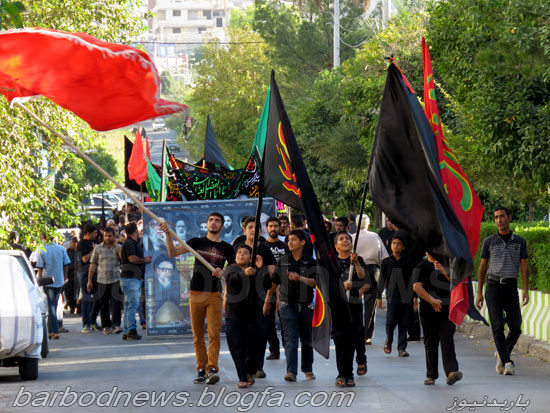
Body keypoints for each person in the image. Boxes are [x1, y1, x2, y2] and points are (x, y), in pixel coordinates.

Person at [160, 212, 235, 385]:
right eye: (211, 220)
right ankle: (201, 369)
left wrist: (224, 271)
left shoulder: (226, 248)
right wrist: (168, 234)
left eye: (217, 221)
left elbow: (234, 268)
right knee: (198, 334)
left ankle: (212, 369)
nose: (213, 223)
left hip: (215, 294)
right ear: (207, 224)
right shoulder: (197, 242)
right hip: (196, 293)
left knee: (214, 334)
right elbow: (172, 252)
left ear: (222, 225)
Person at [476, 207, 529, 376]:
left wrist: (526, 290)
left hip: (511, 287)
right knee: (497, 326)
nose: (499, 220)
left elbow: (524, 266)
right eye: (496, 217)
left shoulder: (519, 241)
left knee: (516, 327)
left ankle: (502, 352)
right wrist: (479, 292)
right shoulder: (489, 241)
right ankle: (507, 362)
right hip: (493, 287)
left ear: (509, 218)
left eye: (502, 217)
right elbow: (482, 266)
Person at [264, 229, 317, 382]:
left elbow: (315, 283)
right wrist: (267, 301)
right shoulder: (283, 260)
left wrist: (300, 278)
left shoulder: (310, 261)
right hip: (287, 303)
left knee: (307, 339)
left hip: (306, 304)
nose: (290, 242)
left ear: (303, 242)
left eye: (294, 239)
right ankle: (291, 371)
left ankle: (308, 369)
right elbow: (275, 281)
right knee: (291, 338)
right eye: (288, 240)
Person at [235, 217, 276, 379]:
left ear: (260, 231)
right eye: (250, 227)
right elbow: (231, 272)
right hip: (241, 298)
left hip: (261, 297)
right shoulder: (238, 248)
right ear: (244, 230)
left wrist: (269, 298)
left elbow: (272, 275)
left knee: (260, 333)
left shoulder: (265, 250)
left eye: (256, 227)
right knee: (243, 334)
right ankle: (246, 367)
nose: (253, 230)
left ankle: (258, 366)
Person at [413, 253, 463, 385]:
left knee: (447, 339)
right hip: (428, 309)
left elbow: (456, 284)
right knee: (430, 342)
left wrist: (443, 271)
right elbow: (417, 287)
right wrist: (432, 301)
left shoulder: (448, 264)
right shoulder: (421, 266)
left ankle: (451, 371)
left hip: (447, 309)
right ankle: (431, 374)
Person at [224, 244, 264, 388]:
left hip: (253, 314)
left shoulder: (256, 270)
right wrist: (245, 273)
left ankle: (250, 371)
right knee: (236, 346)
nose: (241, 255)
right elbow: (231, 279)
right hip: (234, 315)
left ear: (251, 257)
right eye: (239, 252)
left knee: (254, 346)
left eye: (245, 253)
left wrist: (259, 269)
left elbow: (266, 284)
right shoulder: (231, 268)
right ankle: (242, 376)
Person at [334, 231, 370, 387]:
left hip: (354, 304)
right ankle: (341, 374)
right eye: (341, 239)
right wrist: (342, 286)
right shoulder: (333, 262)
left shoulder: (357, 259)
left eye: (347, 238)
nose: (345, 241)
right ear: (336, 246)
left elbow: (363, 277)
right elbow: (327, 283)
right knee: (340, 339)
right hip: (338, 305)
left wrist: (355, 262)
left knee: (351, 338)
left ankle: (349, 374)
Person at [377, 233, 417, 357]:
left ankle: (402, 348)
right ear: (390, 245)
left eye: (399, 244)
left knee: (404, 322)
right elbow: (381, 279)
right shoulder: (386, 262)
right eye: (394, 243)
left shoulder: (409, 262)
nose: (396, 246)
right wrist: (378, 296)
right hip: (392, 295)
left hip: (406, 296)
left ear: (403, 247)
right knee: (391, 320)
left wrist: (415, 296)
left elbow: (413, 280)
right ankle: (389, 341)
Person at [352, 214, 388, 345]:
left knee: (353, 303)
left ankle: (355, 332)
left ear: (356, 224)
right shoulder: (375, 237)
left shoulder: (352, 238)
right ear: (368, 223)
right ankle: (367, 335)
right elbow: (384, 257)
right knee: (370, 306)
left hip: (356, 270)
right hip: (373, 271)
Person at [88, 227, 122, 335]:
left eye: (110, 236)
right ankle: (106, 326)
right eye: (106, 236)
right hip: (102, 279)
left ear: (113, 236)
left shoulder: (118, 247)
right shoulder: (98, 248)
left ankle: (116, 325)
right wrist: (89, 280)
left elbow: (123, 258)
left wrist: (117, 245)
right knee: (104, 304)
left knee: (116, 302)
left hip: (115, 278)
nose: (107, 238)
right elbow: (93, 264)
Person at [120, 222, 152, 340]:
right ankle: (131, 330)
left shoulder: (129, 242)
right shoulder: (129, 243)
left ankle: (126, 330)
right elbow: (132, 259)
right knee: (132, 305)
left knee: (129, 305)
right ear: (135, 231)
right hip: (130, 278)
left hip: (130, 279)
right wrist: (145, 260)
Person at [263, 217, 289, 360]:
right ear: (266, 228)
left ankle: (288, 350)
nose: (273, 228)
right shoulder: (262, 247)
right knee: (268, 323)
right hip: (267, 289)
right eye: (271, 226)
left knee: (285, 321)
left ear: (280, 228)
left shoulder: (286, 246)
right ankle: (274, 350)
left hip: (285, 288)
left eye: (276, 226)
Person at [36, 235, 71, 340]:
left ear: (44, 239)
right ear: (54, 239)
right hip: (59, 280)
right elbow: (66, 265)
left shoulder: (42, 250)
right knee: (53, 306)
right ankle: (51, 331)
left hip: (48, 281)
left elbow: (40, 268)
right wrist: (65, 276)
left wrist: (39, 280)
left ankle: (54, 331)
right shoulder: (61, 249)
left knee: (51, 306)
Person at [78, 224, 100, 333]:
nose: (96, 235)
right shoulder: (81, 244)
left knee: (98, 298)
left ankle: (92, 320)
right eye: (94, 233)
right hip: (85, 273)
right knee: (86, 298)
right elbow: (84, 259)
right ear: (87, 233)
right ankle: (86, 324)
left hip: (96, 272)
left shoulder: (95, 242)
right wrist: (94, 250)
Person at [65, 236, 79, 315]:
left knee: (77, 291)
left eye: (71, 243)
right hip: (70, 273)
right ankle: (72, 307)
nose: (70, 245)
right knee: (69, 291)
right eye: (70, 243)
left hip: (78, 273)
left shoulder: (79, 251)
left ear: (76, 243)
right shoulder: (68, 251)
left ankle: (78, 306)